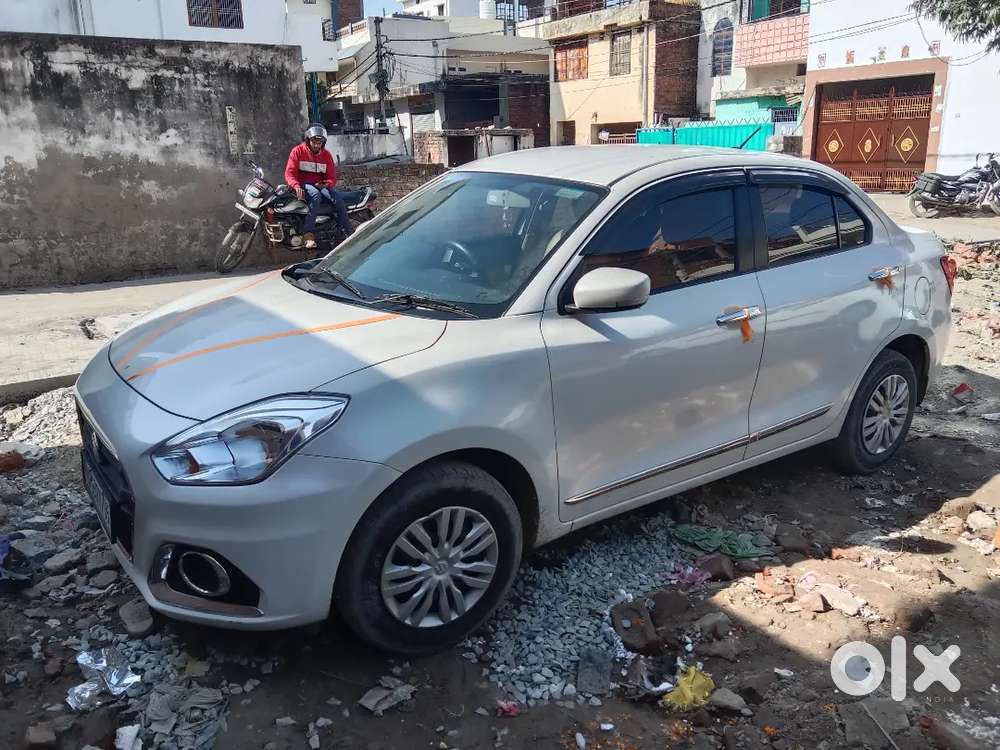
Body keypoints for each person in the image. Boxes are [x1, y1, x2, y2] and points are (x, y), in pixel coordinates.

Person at [284, 123, 352, 249]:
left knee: (337, 199)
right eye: (314, 141)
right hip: (304, 185)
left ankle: (349, 233)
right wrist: (296, 185)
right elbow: (290, 173)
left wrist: (327, 184)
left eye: (320, 142)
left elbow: (332, 177)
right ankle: (308, 234)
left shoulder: (326, 155)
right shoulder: (297, 151)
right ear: (308, 140)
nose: (316, 145)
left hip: (320, 186)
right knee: (315, 195)